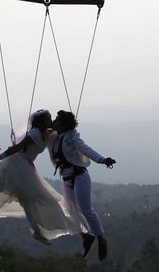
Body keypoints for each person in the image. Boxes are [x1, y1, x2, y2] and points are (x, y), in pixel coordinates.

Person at [0, 110, 81, 245]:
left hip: (26, 165)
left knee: (18, 197)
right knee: (3, 191)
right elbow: (14, 149)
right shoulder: (34, 133)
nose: (51, 121)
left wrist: (71, 131)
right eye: (48, 119)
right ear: (41, 121)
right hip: (18, 164)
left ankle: (37, 231)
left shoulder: (44, 132)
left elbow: (61, 129)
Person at [49, 110, 116, 261]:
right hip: (66, 178)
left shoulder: (71, 137)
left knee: (86, 209)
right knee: (70, 209)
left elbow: (85, 149)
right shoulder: (55, 137)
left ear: (64, 125)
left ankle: (100, 239)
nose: (54, 122)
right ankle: (86, 235)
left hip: (80, 176)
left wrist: (102, 160)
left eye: (57, 120)